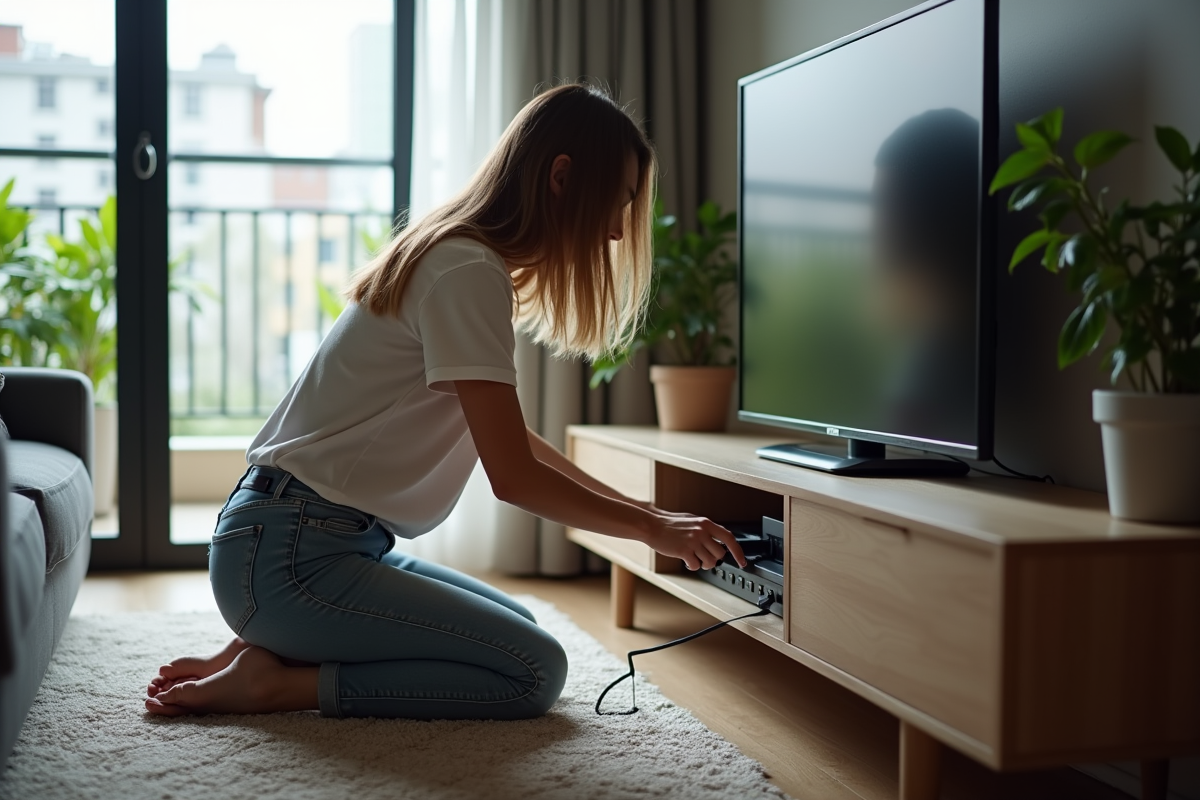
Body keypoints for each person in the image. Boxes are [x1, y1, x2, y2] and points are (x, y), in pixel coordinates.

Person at [144, 83, 747, 720]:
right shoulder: (467, 273)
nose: (621, 232)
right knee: (534, 671)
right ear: (562, 178)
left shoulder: (461, 258)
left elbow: (514, 444)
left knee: (513, 622)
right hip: (292, 557)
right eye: (618, 202)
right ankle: (278, 683)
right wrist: (652, 529)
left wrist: (644, 511)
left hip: (297, 541)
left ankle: (269, 646)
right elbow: (512, 477)